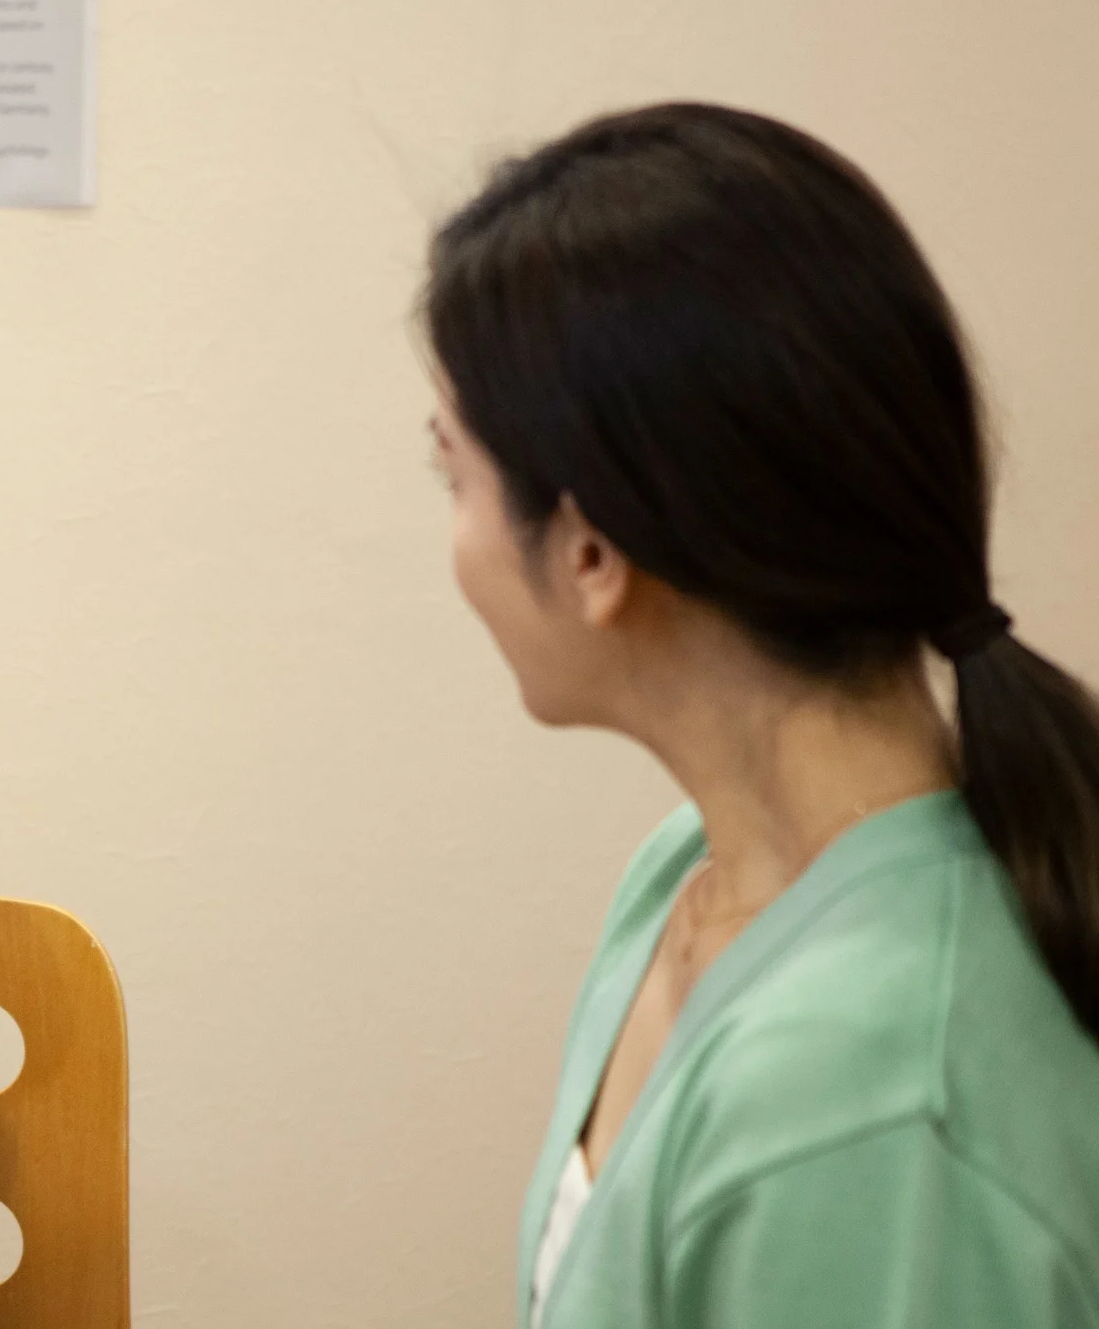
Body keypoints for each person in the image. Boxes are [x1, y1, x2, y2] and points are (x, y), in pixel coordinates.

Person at [424, 103, 1099, 1328]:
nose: (453, 541)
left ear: (588, 553)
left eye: (453, 474)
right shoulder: (684, 871)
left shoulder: (874, 1102)